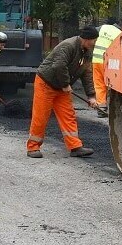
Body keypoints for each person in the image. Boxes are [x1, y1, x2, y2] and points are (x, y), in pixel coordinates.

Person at [26, 27, 99, 158]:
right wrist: (65, 84)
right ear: (86, 39)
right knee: (41, 116)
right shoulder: (68, 45)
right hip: (46, 83)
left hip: (61, 86)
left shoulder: (87, 52)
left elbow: (86, 73)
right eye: (94, 40)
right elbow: (59, 65)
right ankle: (33, 147)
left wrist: (91, 96)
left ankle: (75, 147)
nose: (95, 43)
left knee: (68, 115)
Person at [91, 20, 122, 118]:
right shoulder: (120, 33)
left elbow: (92, 36)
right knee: (112, 85)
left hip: (96, 60)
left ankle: (101, 109)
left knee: (99, 84)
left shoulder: (102, 28)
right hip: (110, 63)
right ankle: (114, 110)